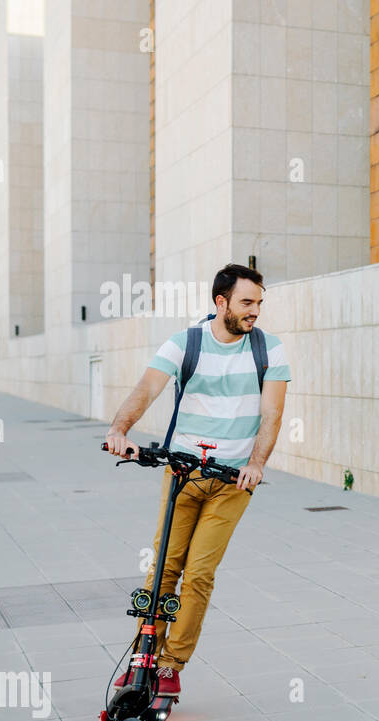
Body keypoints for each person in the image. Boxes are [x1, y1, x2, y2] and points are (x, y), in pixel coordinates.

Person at [103, 263, 291, 696]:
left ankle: (169, 664)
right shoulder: (186, 343)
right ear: (220, 302)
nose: (255, 311)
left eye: (259, 303)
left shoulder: (270, 350)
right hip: (183, 473)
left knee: (200, 573)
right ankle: (142, 658)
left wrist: (257, 463)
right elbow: (146, 390)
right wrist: (120, 430)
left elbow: (272, 414)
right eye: (247, 302)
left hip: (232, 482)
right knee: (163, 568)